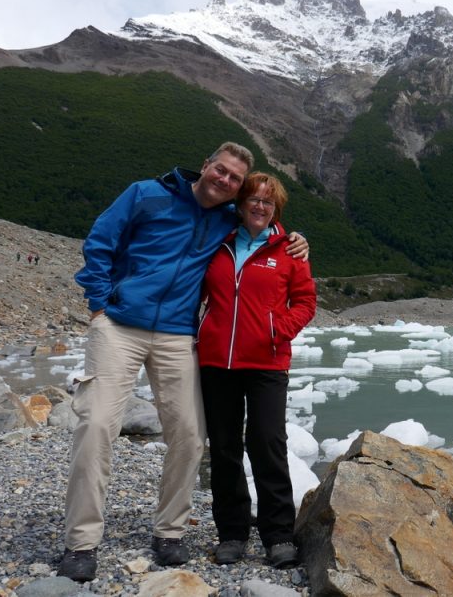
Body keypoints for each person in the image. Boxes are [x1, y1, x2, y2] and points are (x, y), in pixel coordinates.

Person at [57, 143, 309, 582]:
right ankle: (81, 542)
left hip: (177, 333)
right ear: (206, 165)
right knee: (97, 424)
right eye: (222, 170)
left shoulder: (230, 221)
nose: (225, 181)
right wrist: (100, 304)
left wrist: (297, 239)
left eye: (234, 179)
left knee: (192, 435)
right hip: (120, 325)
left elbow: (267, 228)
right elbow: (99, 242)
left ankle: (169, 531)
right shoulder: (145, 194)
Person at [196, 172, 316, 569]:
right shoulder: (219, 241)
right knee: (226, 447)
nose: (261, 206)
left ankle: (278, 535)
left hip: (267, 361)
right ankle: (231, 532)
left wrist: (276, 329)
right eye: (254, 199)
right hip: (217, 362)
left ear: (276, 208)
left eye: (269, 201)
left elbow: (305, 302)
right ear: (241, 203)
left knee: (267, 443)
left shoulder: (290, 252)